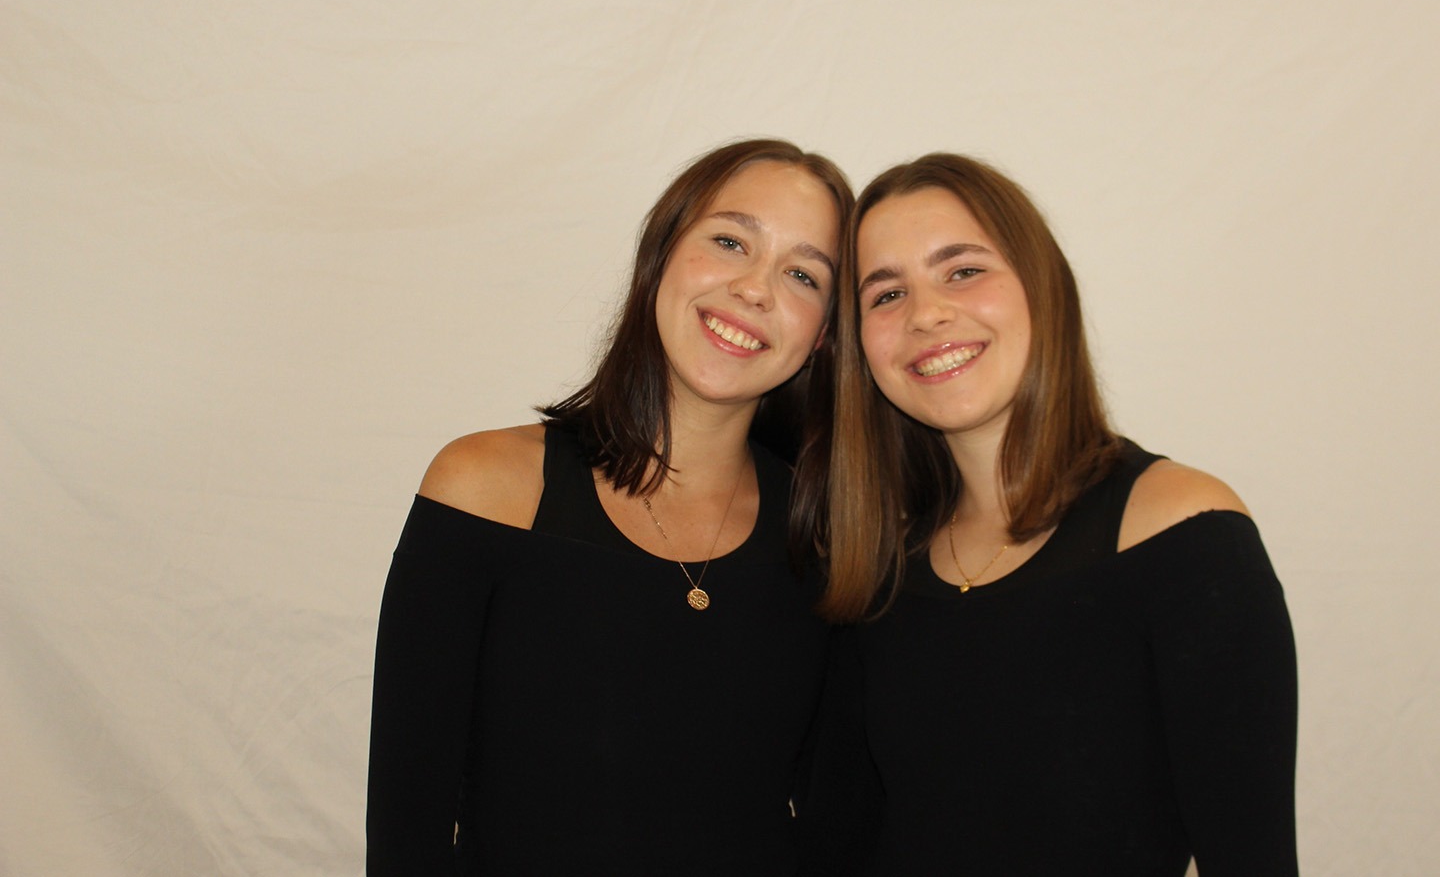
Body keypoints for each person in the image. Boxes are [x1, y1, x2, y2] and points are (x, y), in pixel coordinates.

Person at [795, 154, 1298, 875]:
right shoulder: (876, 569)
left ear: (1042, 286)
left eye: (963, 270)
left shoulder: (1184, 532)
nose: (927, 313)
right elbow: (835, 846)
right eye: (886, 294)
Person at [367, 138, 853, 876]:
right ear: (661, 255)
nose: (756, 289)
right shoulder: (486, 485)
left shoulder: (832, 538)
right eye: (730, 241)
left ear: (823, 334)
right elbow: (409, 828)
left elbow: (838, 826)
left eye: (802, 274)